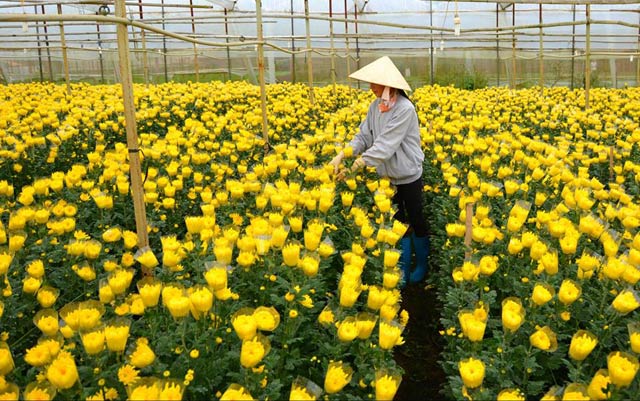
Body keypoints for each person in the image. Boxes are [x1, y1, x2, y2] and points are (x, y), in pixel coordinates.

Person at [329, 56, 430, 286]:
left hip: (408, 174)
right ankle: (402, 267)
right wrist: (343, 154)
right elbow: (364, 136)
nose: (370, 87)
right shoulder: (376, 107)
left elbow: (385, 145)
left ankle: (422, 265)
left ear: (388, 84)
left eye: (374, 83)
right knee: (396, 219)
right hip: (387, 176)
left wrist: (356, 166)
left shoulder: (405, 109)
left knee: (416, 217)